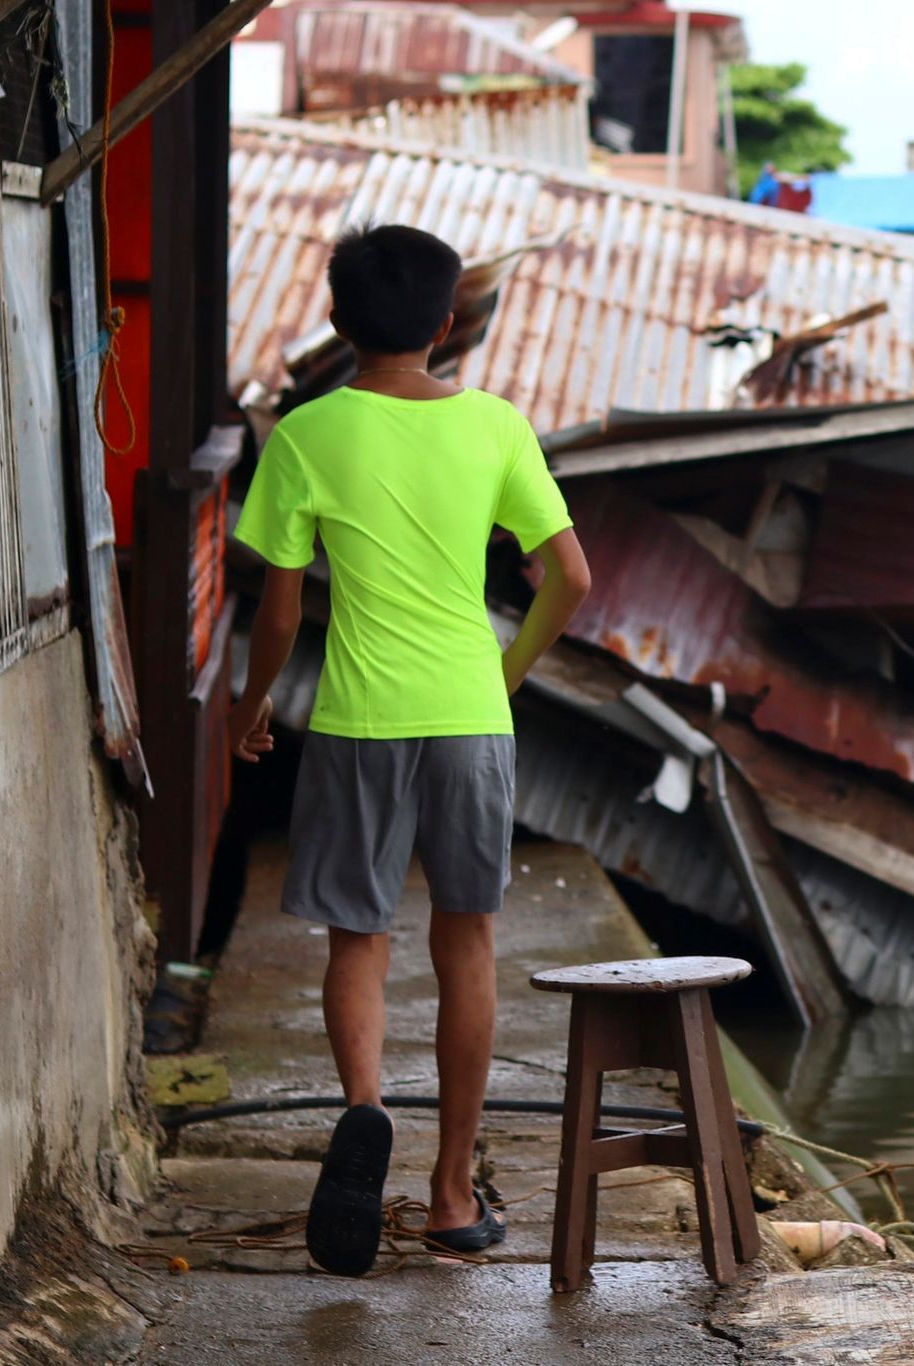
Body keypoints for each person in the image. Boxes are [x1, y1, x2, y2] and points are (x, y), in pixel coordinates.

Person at [226, 224, 592, 1276]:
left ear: (338, 323)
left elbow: (282, 608)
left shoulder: (307, 432)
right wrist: (505, 672)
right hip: (470, 712)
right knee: (468, 940)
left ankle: (363, 1112)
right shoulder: (496, 426)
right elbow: (570, 577)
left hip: (357, 719)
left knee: (359, 936)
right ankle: (446, 1193)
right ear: (444, 324)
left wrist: (250, 707)